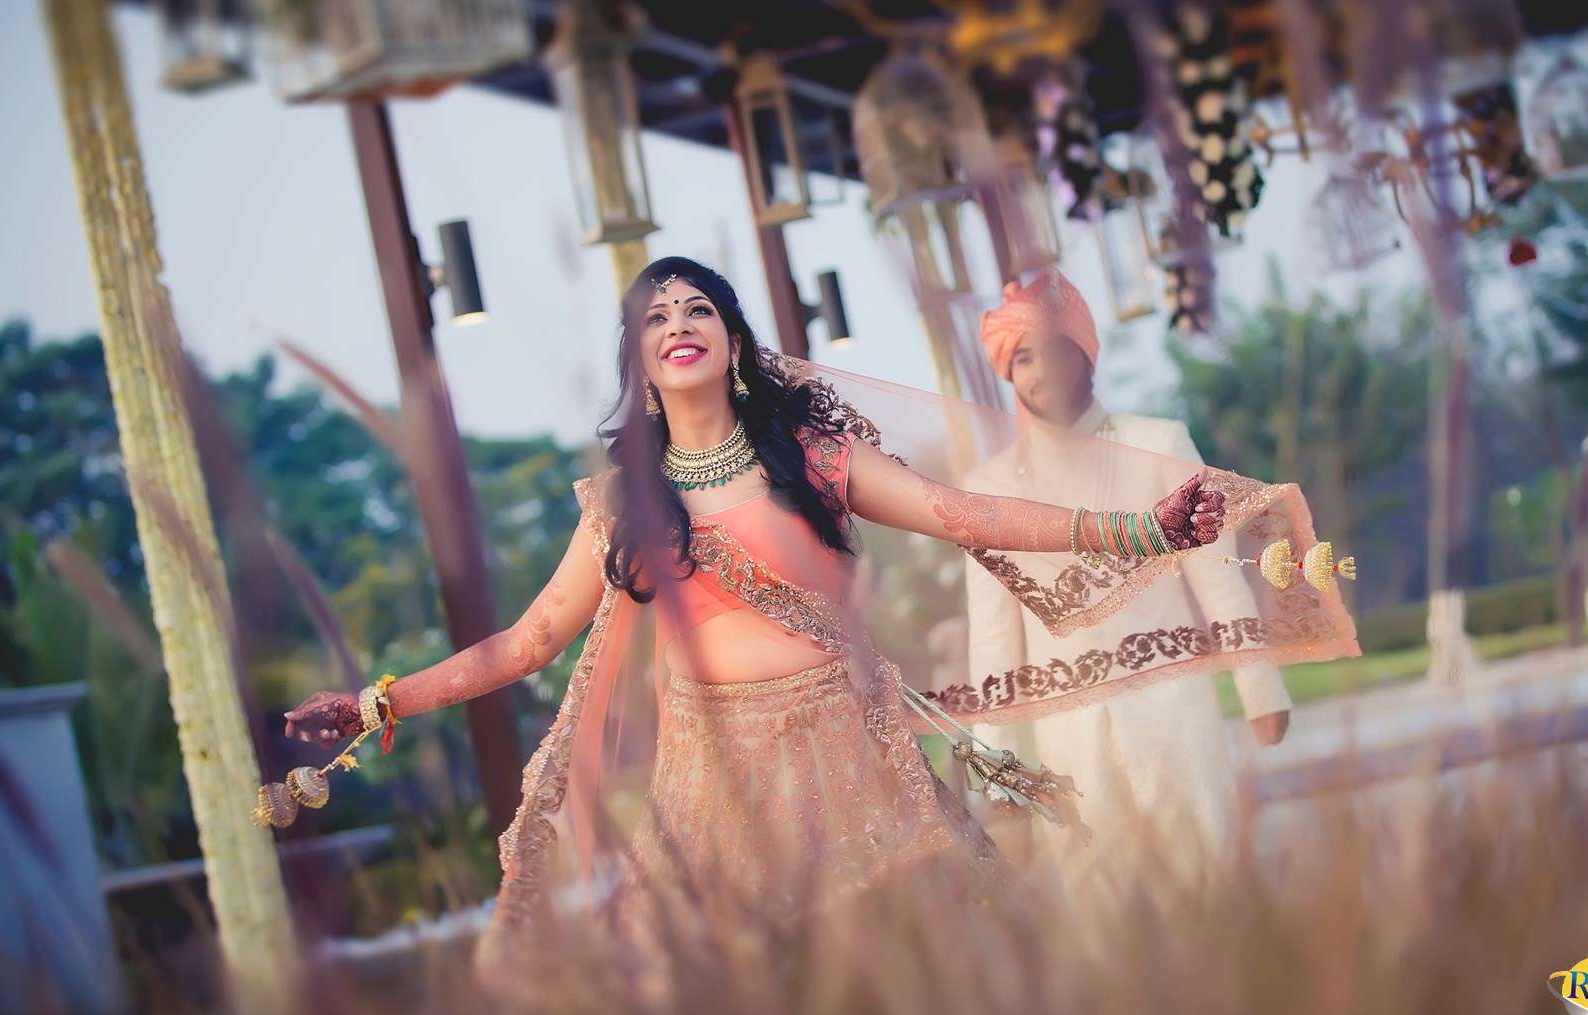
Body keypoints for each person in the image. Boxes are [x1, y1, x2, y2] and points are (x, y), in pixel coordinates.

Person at [279, 257, 1287, 973]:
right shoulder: (624, 502)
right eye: (655, 316)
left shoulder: (810, 455)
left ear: (732, 342)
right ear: (639, 360)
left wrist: (1136, 529)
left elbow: (963, 514)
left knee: (903, 989)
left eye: (698, 308)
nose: (678, 322)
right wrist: (380, 702)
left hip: (850, 766)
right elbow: (528, 640)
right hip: (710, 789)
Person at [962, 269, 1293, 889]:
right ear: (1007, 371)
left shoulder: (1160, 443)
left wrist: (1261, 690)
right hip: (1069, 744)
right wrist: (993, 767)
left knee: (1212, 886)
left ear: (1085, 354)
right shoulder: (988, 488)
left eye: (1054, 351)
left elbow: (1219, 578)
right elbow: (993, 642)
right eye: (1024, 357)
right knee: (1101, 915)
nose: (1041, 372)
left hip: (1174, 717)